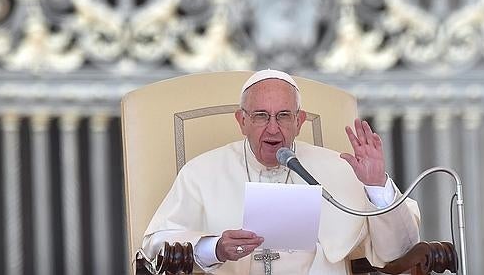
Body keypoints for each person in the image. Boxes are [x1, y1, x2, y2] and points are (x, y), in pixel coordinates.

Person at [142, 70, 420, 274]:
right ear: (242, 121)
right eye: (261, 116)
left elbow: (399, 251)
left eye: (284, 116)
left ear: (299, 122)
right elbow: (155, 244)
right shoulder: (202, 173)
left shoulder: (342, 169)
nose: (273, 128)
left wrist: (376, 185)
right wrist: (215, 248)